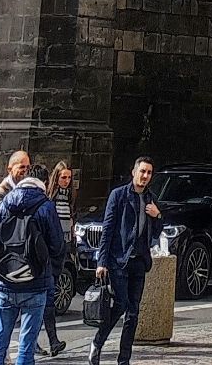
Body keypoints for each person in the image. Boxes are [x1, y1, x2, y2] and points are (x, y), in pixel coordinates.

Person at [90, 156, 164, 365]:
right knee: (121, 304)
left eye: (149, 173)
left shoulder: (151, 199)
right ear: (134, 172)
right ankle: (98, 342)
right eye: (142, 171)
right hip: (119, 260)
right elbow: (108, 229)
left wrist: (157, 216)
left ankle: (124, 359)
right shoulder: (119, 195)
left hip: (140, 261)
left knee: (133, 312)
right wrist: (102, 261)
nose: (145, 176)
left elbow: (157, 231)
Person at [0, 171, 63, 365]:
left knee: (0, 340)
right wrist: (51, 273)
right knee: (26, 346)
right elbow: (57, 245)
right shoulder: (46, 206)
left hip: (6, 280)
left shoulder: (4, 204)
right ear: (43, 184)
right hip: (35, 282)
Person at [42, 162, 77, 358]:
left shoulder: (70, 197)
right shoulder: (51, 198)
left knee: (49, 297)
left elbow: (70, 221)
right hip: (52, 250)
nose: (66, 181)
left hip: (63, 248)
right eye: (63, 177)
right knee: (47, 298)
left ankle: (51, 340)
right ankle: (52, 340)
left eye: (69, 177)